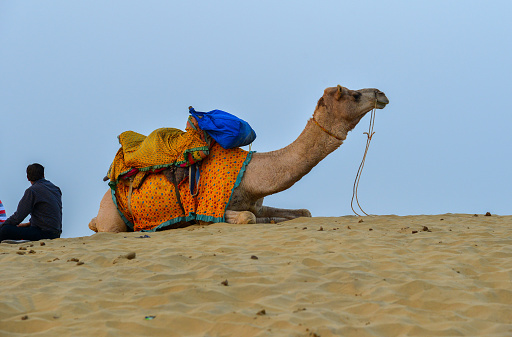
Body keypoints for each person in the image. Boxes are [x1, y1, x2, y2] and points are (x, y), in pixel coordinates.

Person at [0, 163, 62, 242]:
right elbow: (47, 215)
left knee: (5, 230)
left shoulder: (32, 191)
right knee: (18, 228)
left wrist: (2, 225)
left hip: (44, 234)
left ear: (28, 177)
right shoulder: (55, 189)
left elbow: (18, 217)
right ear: (43, 175)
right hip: (56, 233)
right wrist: (27, 224)